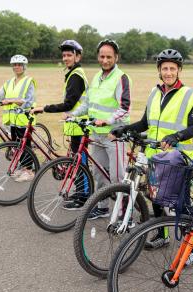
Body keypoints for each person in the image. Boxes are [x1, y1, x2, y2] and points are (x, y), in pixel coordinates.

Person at [110, 49, 193, 259]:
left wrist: (176, 137)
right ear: (159, 71)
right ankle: (163, 235)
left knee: (182, 204)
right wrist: (124, 128)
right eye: (164, 68)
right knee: (156, 198)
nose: (168, 72)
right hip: (155, 155)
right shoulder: (155, 92)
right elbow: (144, 123)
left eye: (172, 68)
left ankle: (192, 250)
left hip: (177, 157)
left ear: (179, 70)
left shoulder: (190, 95)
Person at [63, 39, 131, 219]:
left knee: (118, 178)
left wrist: (106, 120)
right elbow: (87, 102)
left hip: (114, 135)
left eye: (109, 57)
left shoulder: (121, 78)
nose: (105, 60)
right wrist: (74, 114)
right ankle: (102, 208)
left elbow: (124, 108)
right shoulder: (96, 77)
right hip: (96, 135)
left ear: (116, 57)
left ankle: (125, 216)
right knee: (99, 174)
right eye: (102, 56)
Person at [32, 40, 89, 200]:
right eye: (64, 55)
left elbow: (68, 104)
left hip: (80, 125)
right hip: (75, 125)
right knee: (77, 162)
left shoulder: (76, 76)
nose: (65, 58)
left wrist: (44, 108)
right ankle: (80, 193)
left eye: (69, 55)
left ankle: (83, 197)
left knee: (80, 163)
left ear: (77, 57)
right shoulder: (73, 73)